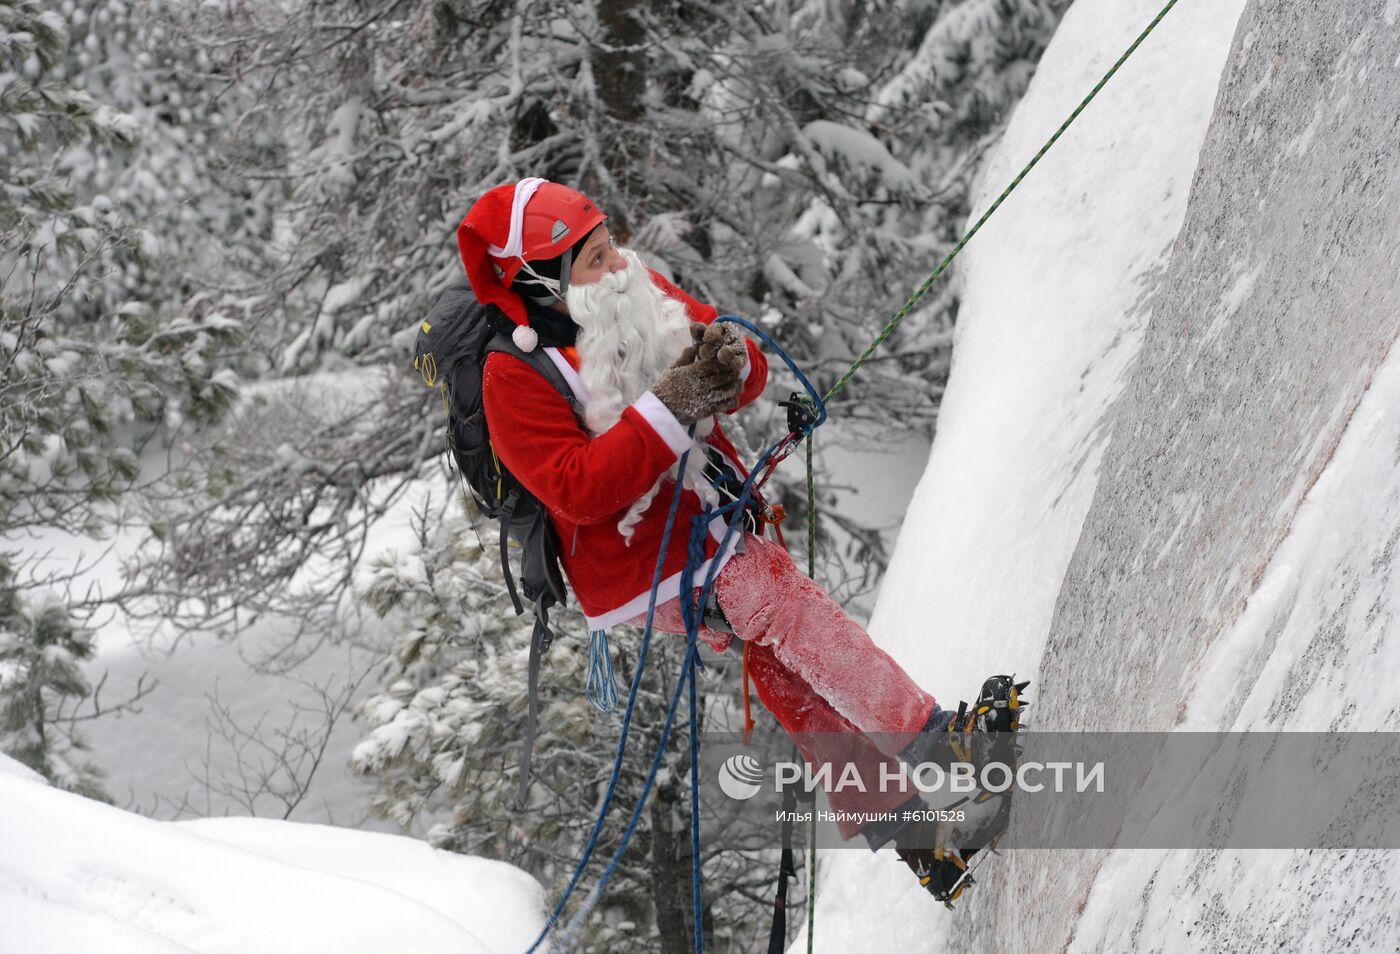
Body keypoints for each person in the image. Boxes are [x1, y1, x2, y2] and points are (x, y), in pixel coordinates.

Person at [453, 177, 1022, 903]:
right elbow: (579, 488)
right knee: (786, 611)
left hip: (701, 522)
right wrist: (676, 401)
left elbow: (739, 376)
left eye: (610, 244)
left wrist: (731, 360)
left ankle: (919, 837)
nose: (617, 265)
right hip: (637, 567)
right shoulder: (513, 374)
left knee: (779, 654)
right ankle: (946, 750)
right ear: (542, 282)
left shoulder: (634, 289)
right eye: (594, 259)